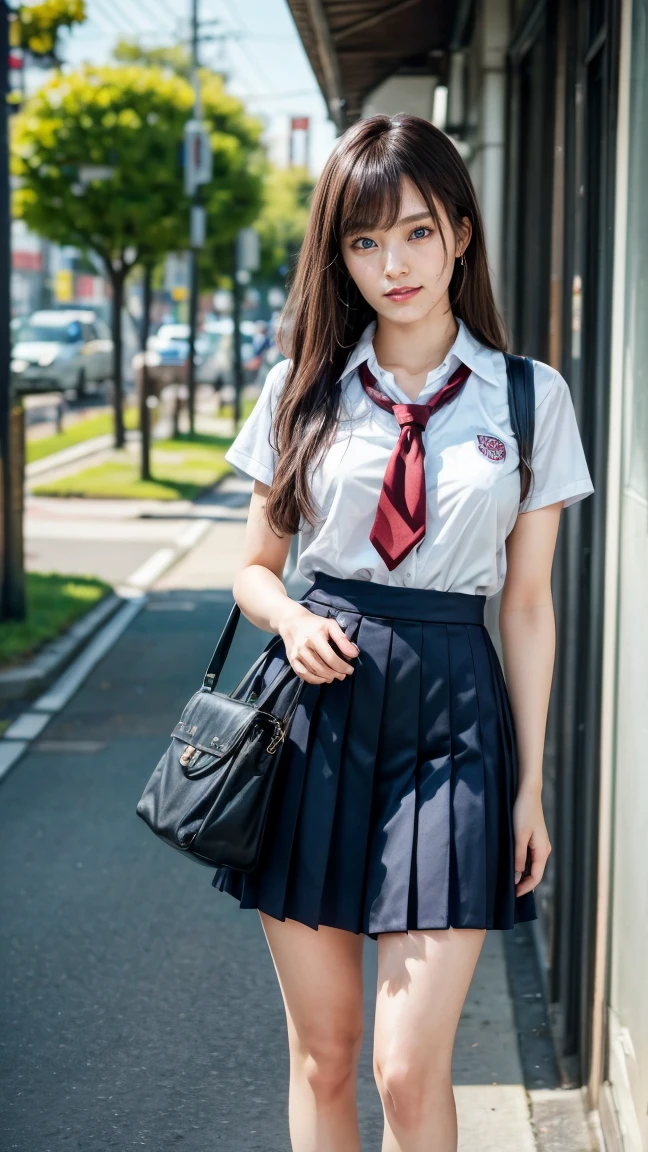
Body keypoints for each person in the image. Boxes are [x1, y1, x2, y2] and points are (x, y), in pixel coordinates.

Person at [212, 114, 594, 1152]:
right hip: (314, 717)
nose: (394, 264)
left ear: (462, 234)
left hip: (454, 726)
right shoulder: (300, 390)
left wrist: (528, 788)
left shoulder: (529, 397)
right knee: (326, 1057)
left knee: (407, 1067)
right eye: (364, 241)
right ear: (338, 255)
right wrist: (290, 616)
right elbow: (253, 567)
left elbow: (525, 605)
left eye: (417, 232)